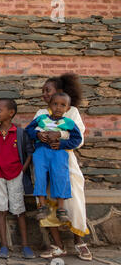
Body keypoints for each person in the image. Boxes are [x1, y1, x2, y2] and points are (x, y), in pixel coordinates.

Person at [33, 73, 92, 261]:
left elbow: (79, 138)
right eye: (42, 91)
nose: (44, 94)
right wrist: (39, 136)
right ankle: (57, 245)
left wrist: (59, 137)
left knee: (73, 201)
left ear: (59, 92)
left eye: (47, 90)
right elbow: (32, 133)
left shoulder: (71, 112)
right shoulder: (41, 114)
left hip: (66, 162)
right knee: (46, 203)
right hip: (44, 164)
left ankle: (80, 242)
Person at [0, 99, 35, 259]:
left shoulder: (20, 133)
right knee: (1, 210)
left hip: (15, 176)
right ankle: (4, 245)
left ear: (11, 113)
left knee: (19, 210)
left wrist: (22, 170)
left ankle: (25, 245)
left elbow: (30, 152)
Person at [26, 93, 82, 225]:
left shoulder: (69, 123)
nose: (58, 107)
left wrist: (62, 144)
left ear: (68, 109)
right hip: (41, 152)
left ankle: (61, 209)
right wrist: (38, 134)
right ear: (49, 106)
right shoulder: (41, 118)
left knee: (60, 177)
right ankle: (42, 206)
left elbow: (77, 139)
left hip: (59, 153)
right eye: (55, 104)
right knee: (39, 176)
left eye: (63, 105)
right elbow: (28, 130)